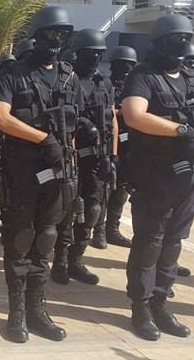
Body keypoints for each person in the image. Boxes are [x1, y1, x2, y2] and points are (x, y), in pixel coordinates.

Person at [0, 6, 82, 343]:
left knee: (46, 240)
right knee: (20, 239)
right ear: (38, 35)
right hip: (23, 171)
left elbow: (71, 126)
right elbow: (2, 118)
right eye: (51, 33)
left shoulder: (70, 77)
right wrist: (44, 139)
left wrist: (68, 157)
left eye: (63, 34)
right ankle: (16, 313)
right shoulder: (14, 73)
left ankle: (37, 310)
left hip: (58, 172)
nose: (57, 40)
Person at [120, 13, 194, 341]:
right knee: (149, 243)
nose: (181, 45)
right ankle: (141, 307)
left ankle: (161, 304)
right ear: (159, 42)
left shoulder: (190, 76)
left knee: (173, 244)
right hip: (155, 174)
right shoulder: (143, 76)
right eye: (174, 39)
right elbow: (134, 115)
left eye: (185, 39)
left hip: (187, 177)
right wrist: (181, 131)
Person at [51, 29, 117, 286]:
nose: (95, 57)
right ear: (78, 52)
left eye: (99, 53)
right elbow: (61, 118)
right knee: (68, 209)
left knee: (93, 209)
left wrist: (112, 155)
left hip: (98, 158)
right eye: (90, 53)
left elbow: (112, 119)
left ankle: (76, 259)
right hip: (74, 155)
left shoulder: (104, 82)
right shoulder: (67, 80)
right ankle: (60, 260)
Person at [100, 46, 137, 249]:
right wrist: (120, 111)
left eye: (130, 64)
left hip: (129, 145)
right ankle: (97, 229)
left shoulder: (135, 86)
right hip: (109, 142)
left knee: (122, 189)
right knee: (103, 187)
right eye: (123, 64)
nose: (127, 68)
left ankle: (111, 229)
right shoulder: (105, 83)